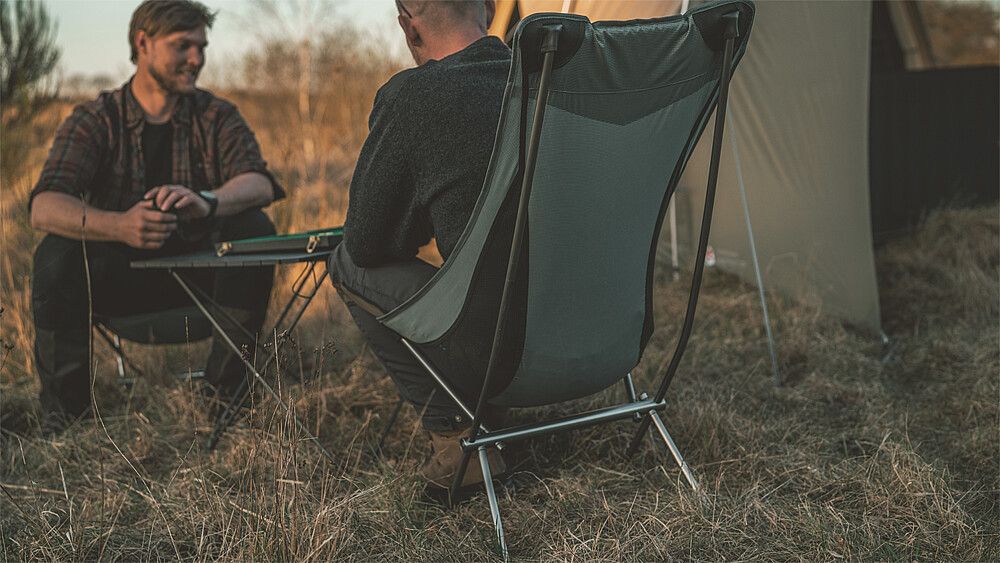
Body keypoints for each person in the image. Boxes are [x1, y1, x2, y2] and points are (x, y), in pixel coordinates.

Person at [29, 0, 284, 428]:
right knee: (56, 255)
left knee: (255, 227)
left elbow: (259, 182)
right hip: (119, 279)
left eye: (202, 47)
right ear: (143, 43)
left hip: (199, 278)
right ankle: (67, 419)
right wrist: (121, 225)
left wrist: (207, 201)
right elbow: (44, 205)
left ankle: (225, 404)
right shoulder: (96, 119)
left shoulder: (215, 115)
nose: (197, 59)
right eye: (183, 46)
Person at [328, 0, 509, 490]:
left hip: (507, 352)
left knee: (347, 261)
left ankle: (459, 437)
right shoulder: (562, 80)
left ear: (408, 24)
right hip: (607, 338)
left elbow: (368, 244)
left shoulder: (417, 95)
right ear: (490, 8)